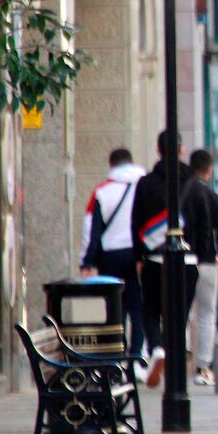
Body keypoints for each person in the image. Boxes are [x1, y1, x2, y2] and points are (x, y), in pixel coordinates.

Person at [131, 131, 212, 388]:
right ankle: (173, 366)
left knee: (150, 310)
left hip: (155, 259)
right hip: (188, 262)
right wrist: (199, 255)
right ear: (181, 149)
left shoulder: (145, 184)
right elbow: (204, 225)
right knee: (179, 316)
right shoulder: (195, 186)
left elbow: (136, 222)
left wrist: (139, 254)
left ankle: (157, 349)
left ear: (158, 151)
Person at [79, 148, 146, 356]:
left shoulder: (102, 191)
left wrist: (87, 261)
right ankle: (137, 356)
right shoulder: (143, 186)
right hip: (137, 255)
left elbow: (92, 230)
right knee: (138, 307)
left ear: (111, 165)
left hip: (110, 256)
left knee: (115, 307)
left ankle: (117, 354)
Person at [188, 150, 218, 387]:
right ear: (209, 170)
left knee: (183, 314)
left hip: (183, 262)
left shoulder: (182, 196)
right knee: (207, 315)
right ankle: (203, 367)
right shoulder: (214, 199)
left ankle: (178, 360)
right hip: (207, 263)